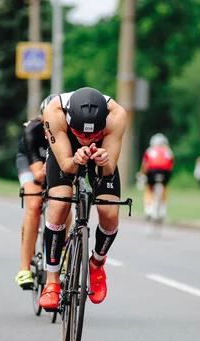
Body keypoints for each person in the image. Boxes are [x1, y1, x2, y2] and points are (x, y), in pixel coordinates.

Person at [38, 87, 127, 309]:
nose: (86, 140)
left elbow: (109, 170)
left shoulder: (117, 115)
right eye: (81, 133)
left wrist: (104, 161)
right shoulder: (54, 112)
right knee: (59, 204)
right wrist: (75, 159)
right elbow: (66, 166)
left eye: (92, 134)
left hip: (101, 154)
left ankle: (96, 263)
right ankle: (52, 281)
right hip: (65, 152)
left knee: (110, 212)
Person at [15, 94, 66, 289]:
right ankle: (24, 268)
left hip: (51, 162)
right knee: (34, 205)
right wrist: (47, 170)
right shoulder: (33, 130)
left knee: (63, 201)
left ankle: (62, 252)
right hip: (31, 163)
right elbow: (38, 175)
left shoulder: (66, 131)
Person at [138, 133, 174, 219]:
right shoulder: (168, 150)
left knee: (149, 188)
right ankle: (163, 210)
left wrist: (142, 174)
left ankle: (149, 209)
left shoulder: (150, 150)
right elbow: (171, 164)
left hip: (152, 170)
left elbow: (145, 164)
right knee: (164, 187)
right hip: (165, 171)